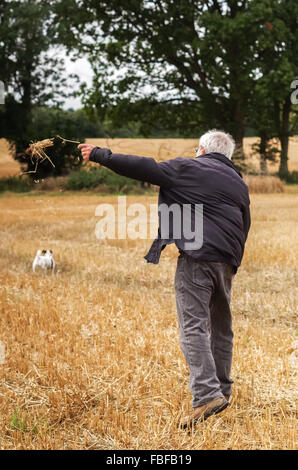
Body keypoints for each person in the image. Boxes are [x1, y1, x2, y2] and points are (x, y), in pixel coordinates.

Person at [78, 129, 251, 428]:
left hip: (198, 256)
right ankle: (222, 391)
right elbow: (244, 221)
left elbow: (145, 167)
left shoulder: (191, 167)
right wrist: (232, 260)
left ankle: (207, 394)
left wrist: (99, 154)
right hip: (227, 259)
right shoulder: (238, 182)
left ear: (201, 149)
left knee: (193, 325)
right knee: (221, 329)